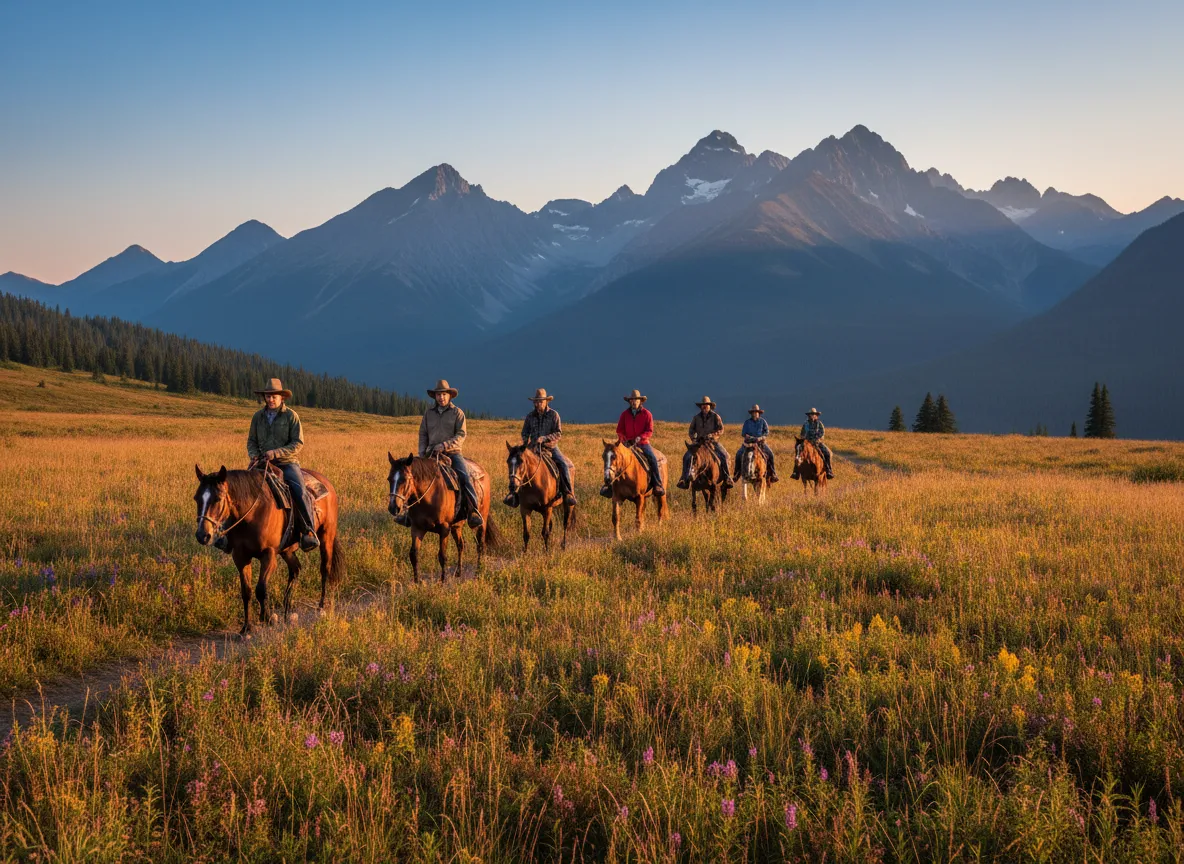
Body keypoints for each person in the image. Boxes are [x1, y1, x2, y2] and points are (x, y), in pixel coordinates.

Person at [246, 377, 319, 551]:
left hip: (287, 463)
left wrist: (276, 452)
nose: (270, 399)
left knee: (300, 491)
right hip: (262, 463)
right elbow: (251, 440)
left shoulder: (291, 416)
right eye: (268, 396)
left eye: (274, 396)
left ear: (282, 398)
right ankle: (229, 535)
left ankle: (308, 531)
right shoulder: (258, 417)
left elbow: (297, 443)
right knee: (241, 489)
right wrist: (255, 455)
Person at [415, 379, 484, 529]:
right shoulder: (429, 414)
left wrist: (444, 445)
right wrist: (422, 454)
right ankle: (409, 514)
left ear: (450, 395)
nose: (441, 397)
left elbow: (461, 435)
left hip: (452, 453)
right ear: (435, 396)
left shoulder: (457, 413)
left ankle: (473, 510)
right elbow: (423, 434)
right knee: (413, 477)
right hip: (431, 453)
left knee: (464, 477)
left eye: (444, 394)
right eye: (439, 395)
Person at [513, 388, 577, 507]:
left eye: (540, 402)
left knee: (563, 464)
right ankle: (514, 495)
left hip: (550, 448)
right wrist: (525, 441)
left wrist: (544, 438)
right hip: (533, 448)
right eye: (536, 402)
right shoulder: (530, 416)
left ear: (546, 402)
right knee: (519, 464)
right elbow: (525, 432)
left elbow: (558, 433)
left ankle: (568, 493)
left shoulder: (554, 415)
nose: (537, 404)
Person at [602, 389, 665, 498]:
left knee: (652, 458)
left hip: (643, 443)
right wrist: (624, 439)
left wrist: (640, 438)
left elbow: (649, 430)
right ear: (629, 401)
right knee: (615, 460)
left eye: (636, 400)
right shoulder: (625, 415)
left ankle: (657, 484)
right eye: (632, 400)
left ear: (640, 401)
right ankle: (609, 486)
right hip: (627, 444)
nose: (634, 401)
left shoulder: (647, 414)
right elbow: (619, 430)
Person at [678, 396, 733, 489]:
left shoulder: (716, 416)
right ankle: (684, 479)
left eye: (706, 405)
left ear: (710, 406)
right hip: (699, 443)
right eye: (703, 405)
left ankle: (727, 477)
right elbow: (691, 430)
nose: (705, 407)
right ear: (701, 406)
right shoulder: (696, 418)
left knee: (725, 455)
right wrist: (693, 439)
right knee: (687, 456)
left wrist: (712, 435)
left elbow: (721, 429)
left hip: (712, 442)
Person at [734, 404, 779, 483]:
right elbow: (743, 433)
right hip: (748, 443)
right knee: (738, 454)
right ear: (751, 413)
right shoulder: (747, 422)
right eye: (753, 412)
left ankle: (773, 473)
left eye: (756, 412)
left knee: (771, 454)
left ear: (759, 413)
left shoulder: (763, 422)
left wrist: (761, 438)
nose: (755, 414)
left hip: (760, 443)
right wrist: (748, 437)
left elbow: (766, 432)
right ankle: (736, 474)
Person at [795, 407, 834, 480]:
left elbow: (822, 433)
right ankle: (796, 472)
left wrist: (817, 439)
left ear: (816, 415)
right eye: (811, 414)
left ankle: (829, 470)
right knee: (798, 454)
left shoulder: (819, 424)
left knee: (827, 453)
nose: (812, 416)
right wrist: (804, 440)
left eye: (814, 414)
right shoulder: (805, 424)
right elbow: (802, 433)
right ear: (809, 415)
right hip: (807, 443)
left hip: (817, 443)